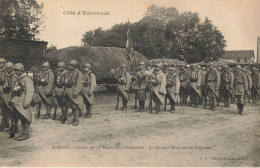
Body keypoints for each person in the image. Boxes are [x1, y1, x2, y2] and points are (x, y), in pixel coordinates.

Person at [11, 63, 34, 141]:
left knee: (26, 116)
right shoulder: (19, 78)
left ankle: (26, 134)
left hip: (24, 100)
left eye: (16, 70)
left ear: (21, 71)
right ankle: (23, 133)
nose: (15, 72)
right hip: (20, 99)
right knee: (22, 116)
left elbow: (30, 91)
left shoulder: (27, 79)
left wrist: (27, 102)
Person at [64, 60, 84, 126]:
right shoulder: (68, 72)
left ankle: (76, 120)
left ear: (74, 66)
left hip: (74, 91)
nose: (69, 66)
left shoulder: (79, 73)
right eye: (69, 65)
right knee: (71, 106)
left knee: (76, 106)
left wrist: (76, 93)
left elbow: (79, 84)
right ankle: (73, 119)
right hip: (68, 91)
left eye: (71, 65)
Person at [2, 62, 18, 136]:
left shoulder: (14, 76)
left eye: (9, 68)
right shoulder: (7, 75)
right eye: (7, 68)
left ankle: (15, 127)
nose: (7, 69)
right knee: (9, 111)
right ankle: (12, 126)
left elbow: (14, 86)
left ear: (12, 68)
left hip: (12, 95)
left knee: (13, 112)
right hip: (7, 94)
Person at [0, 58, 7, 131]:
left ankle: (5, 122)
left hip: (3, 90)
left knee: (4, 106)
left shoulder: (6, 71)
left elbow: (4, 80)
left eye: (1, 63)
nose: (0, 64)